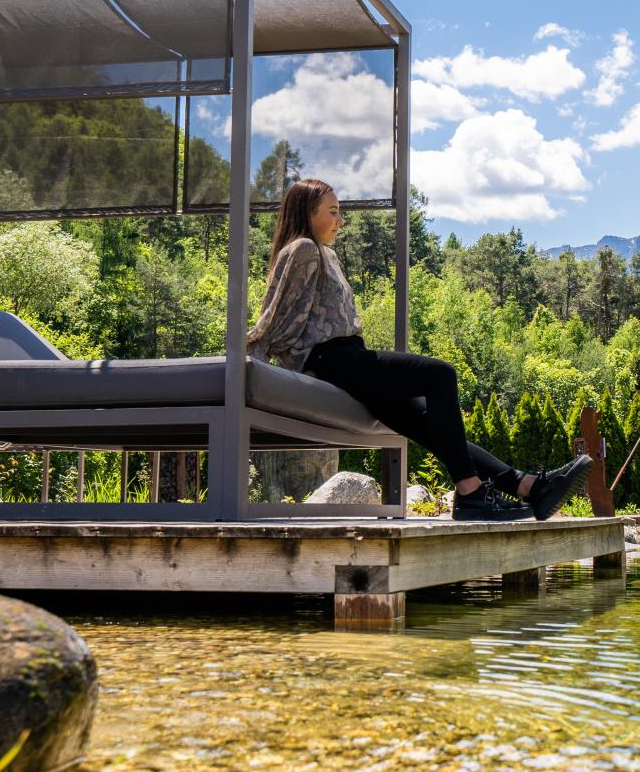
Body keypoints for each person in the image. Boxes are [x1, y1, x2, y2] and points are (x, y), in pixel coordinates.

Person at [246, 178, 593, 522]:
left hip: (346, 358)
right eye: (333, 212)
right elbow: (279, 317)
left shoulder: (325, 253)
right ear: (307, 212)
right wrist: (253, 361)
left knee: (428, 423)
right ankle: (470, 492)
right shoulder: (303, 249)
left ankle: (527, 486)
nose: (341, 220)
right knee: (438, 375)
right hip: (330, 360)